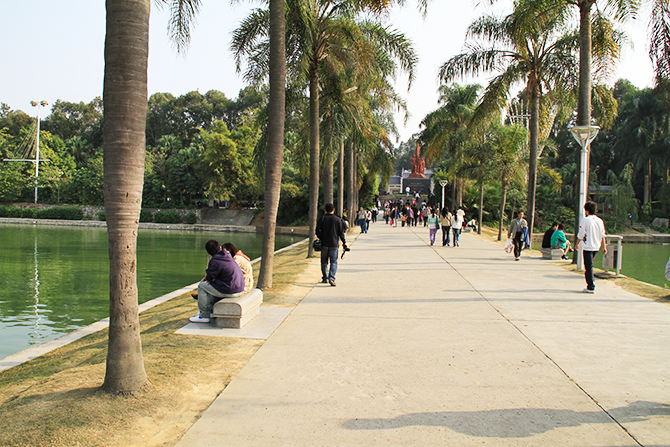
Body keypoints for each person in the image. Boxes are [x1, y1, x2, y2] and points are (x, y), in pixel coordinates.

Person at [190, 240, 245, 323]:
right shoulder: (227, 256)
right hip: (239, 288)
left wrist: (207, 272)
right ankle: (211, 311)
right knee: (211, 287)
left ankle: (204, 315)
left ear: (208, 253)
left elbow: (209, 279)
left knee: (202, 286)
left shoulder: (215, 261)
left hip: (231, 290)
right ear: (220, 247)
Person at [577, 201, 608, 293]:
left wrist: (577, 243)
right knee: (590, 265)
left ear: (586, 211)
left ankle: (590, 286)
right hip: (596, 246)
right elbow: (603, 235)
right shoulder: (600, 221)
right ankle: (591, 283)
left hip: (587, 246)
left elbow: (581, 234)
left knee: (588, 266)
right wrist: (604, 247)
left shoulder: (585, 220)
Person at [316, 203, 348, 286]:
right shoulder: (337, 220)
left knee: (324, 262)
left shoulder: (321, 219)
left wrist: (321, 238)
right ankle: (332, 277)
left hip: (324, 244)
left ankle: (325, 278)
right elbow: (341, 233)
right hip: (334, 244)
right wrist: (344, 242)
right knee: (333, 262)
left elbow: (317, 231)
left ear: (325, 210)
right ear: (333, 210)